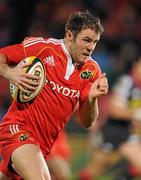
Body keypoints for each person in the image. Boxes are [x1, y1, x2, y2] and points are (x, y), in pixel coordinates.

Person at [0, 10, 108, 179]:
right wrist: (9, 72)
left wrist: (92, 99)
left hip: (45, 145)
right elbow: (2, 56)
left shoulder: (92, 70)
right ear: (70, 35)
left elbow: (87, 121)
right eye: (86, 40)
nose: (90, 47)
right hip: (18, 129)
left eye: (95, 42)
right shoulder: (42, 48)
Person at [79, 54, 141, 180]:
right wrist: (135, 113)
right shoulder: (127, 82)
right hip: (112, 132)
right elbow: (114, 110)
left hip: (127, 133)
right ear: (135, 66)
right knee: (94, 170)